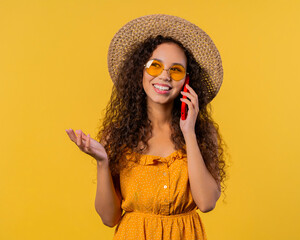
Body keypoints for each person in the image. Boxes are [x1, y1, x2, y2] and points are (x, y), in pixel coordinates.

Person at [65, 14, 227, 240]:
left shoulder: (201, 133)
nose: (164, 76)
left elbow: (207, 202)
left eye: (176, 70)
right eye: (155, 66)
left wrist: (188, 132)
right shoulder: (117, 135)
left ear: (187, 81)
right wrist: (102, 162)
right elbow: (109, 218)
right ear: (139, 71)